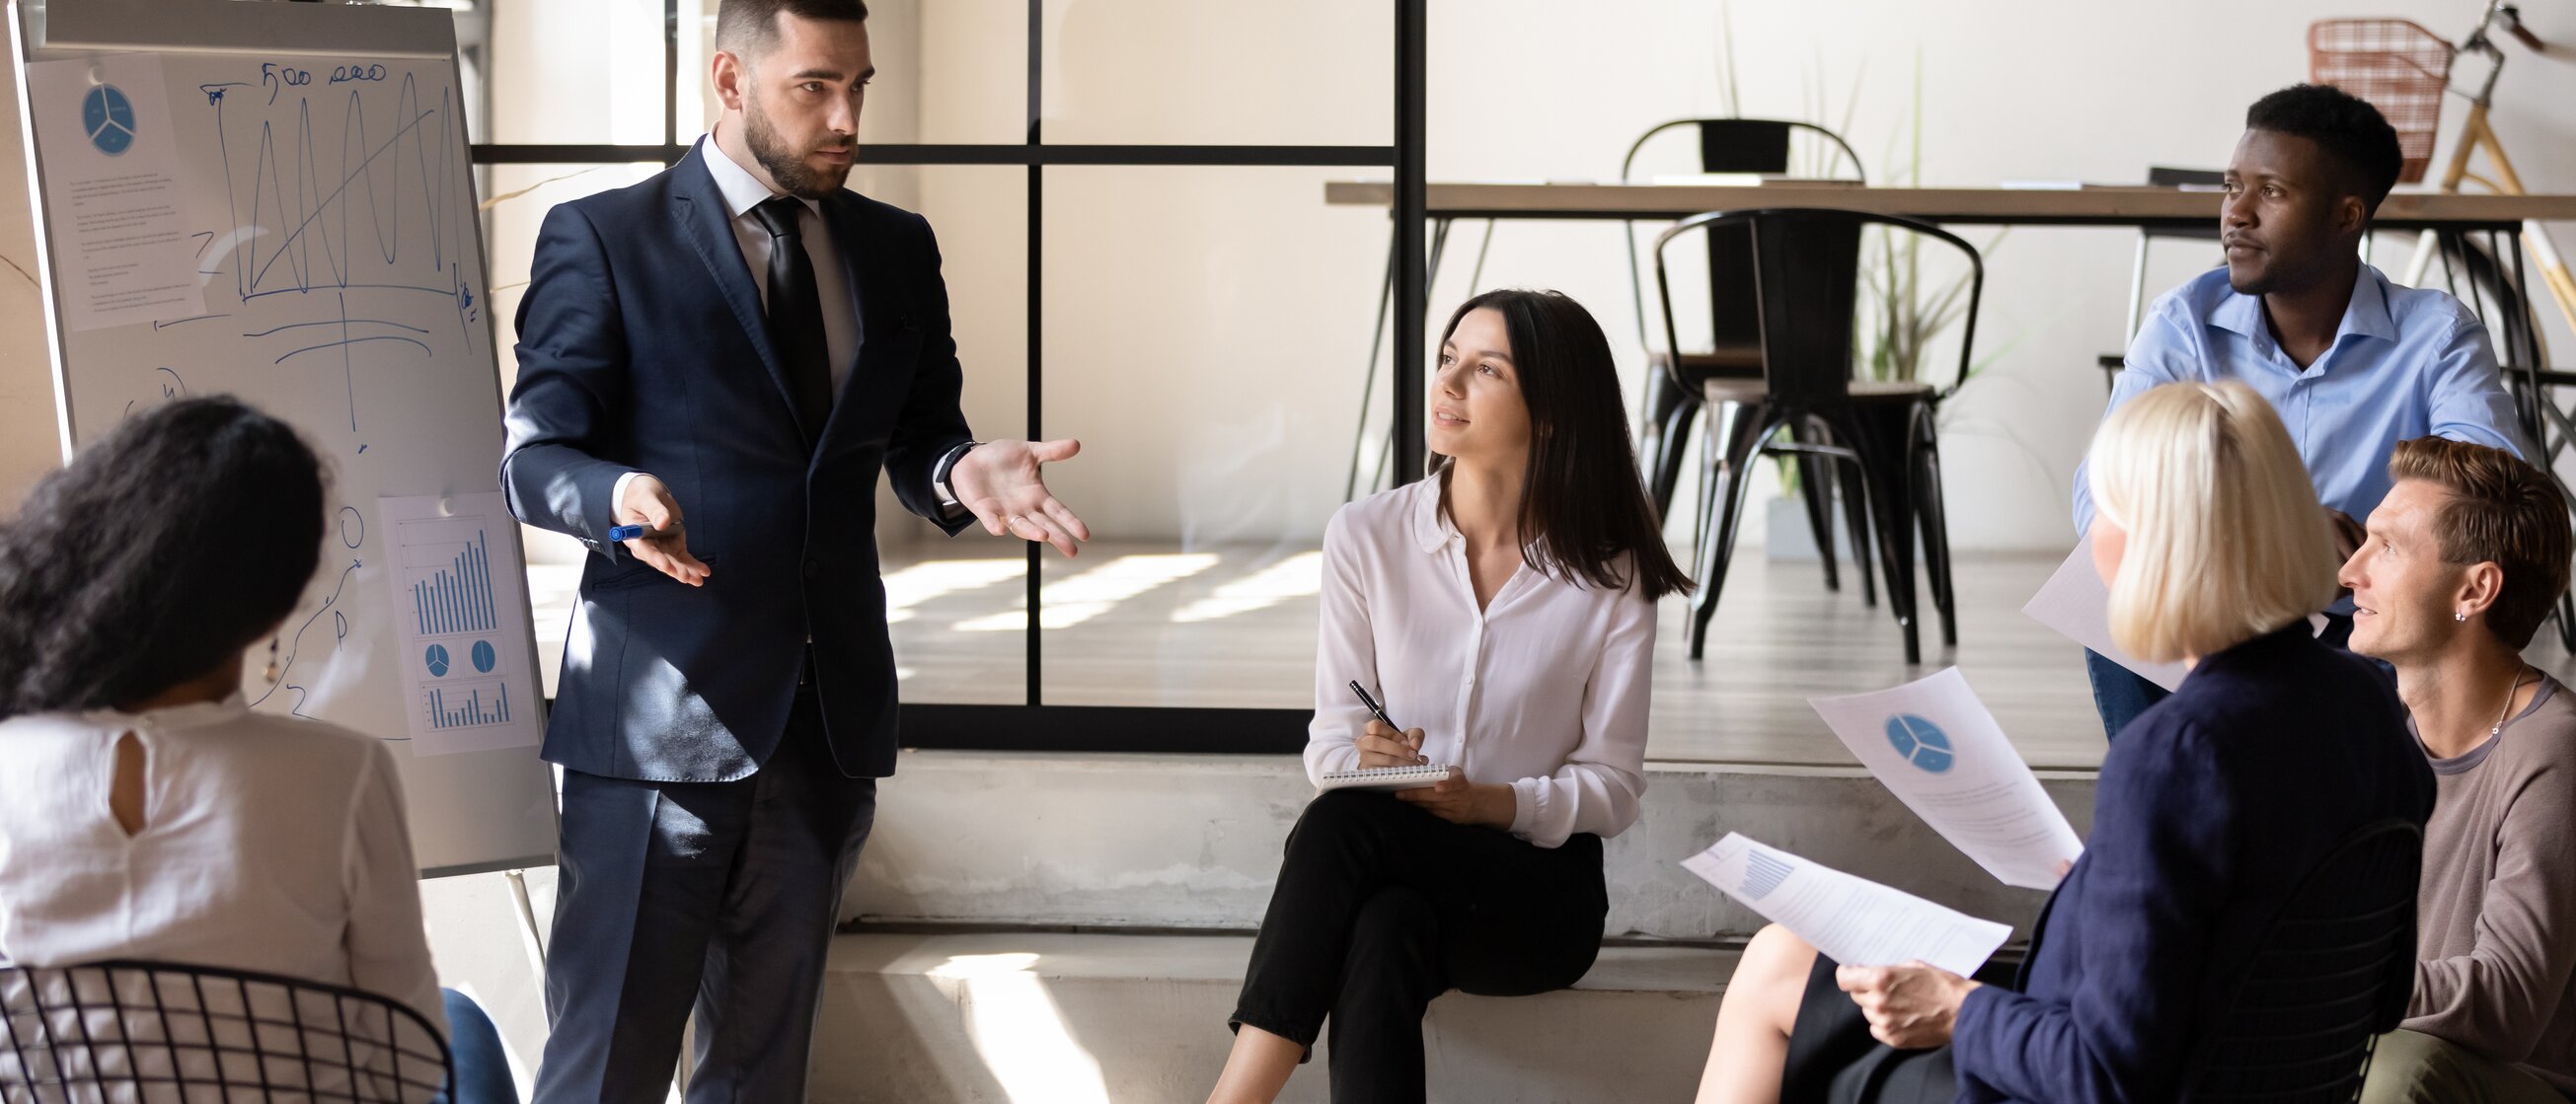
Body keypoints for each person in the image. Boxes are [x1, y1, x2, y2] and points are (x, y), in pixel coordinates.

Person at [498, 0, 1089, 1099]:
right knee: (603, 1074)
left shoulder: (895, 249)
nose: (847, 115)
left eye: (858, 86)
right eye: (814, 86)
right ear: (730, 82)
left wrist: (966, 472)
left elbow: (918, 438)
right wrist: (617, 495)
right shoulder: (605, 238)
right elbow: (534, 455)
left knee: (761, 1079)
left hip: (824, 728)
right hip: (654, 736)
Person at [1695, 381, 2435, 1104]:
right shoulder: (2369, 707)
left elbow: (2106, 1074)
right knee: (1786, 959)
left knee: (1776, 972)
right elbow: (2380, 997)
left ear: (2156, 539)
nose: (2091, 532)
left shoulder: (2175, 753)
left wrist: (1958, 1007)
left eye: (2105, 507)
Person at [1202, 289, 1691, 1104]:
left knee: (1343, 827)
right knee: (1381, 922)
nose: (1450, 383)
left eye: (1486, 368)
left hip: (1535, 897)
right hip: (1395, 859)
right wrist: (1364, 755)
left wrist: (1490, 804)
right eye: (1447, 359)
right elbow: (1328, 746)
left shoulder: (1612, 576)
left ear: (1553, 413)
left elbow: (1613, 787)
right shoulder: (1366, 537)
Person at [0, 397, 512, 1103]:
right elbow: (410, 1060)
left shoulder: (10, 761)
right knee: (464, 1021)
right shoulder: (345, 774)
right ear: (277, 606)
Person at [2073, 83, 2527, 740]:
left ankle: (2375, 814)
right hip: (2220, 613)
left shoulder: (2436, 335)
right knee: (2104, 590)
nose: (2237, 214)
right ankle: (2165, 805)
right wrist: (2274, 536)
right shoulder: (2183, 324)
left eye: (2273, 192)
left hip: (2364, 622)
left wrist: (2369, 549)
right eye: (2233, 187)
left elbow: (2493, 490)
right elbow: (2101, 496)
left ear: (2348, 216)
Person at [2338, 437, 2576, 1102]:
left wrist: (2327, 981)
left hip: (2522, 1083)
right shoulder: (2378, 742)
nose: (2350, 571)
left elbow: (2506, 1004)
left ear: (2475, 588)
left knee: (2395, 1068)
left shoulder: (2555, 751)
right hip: (2386, 1045)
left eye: (2385, 548)